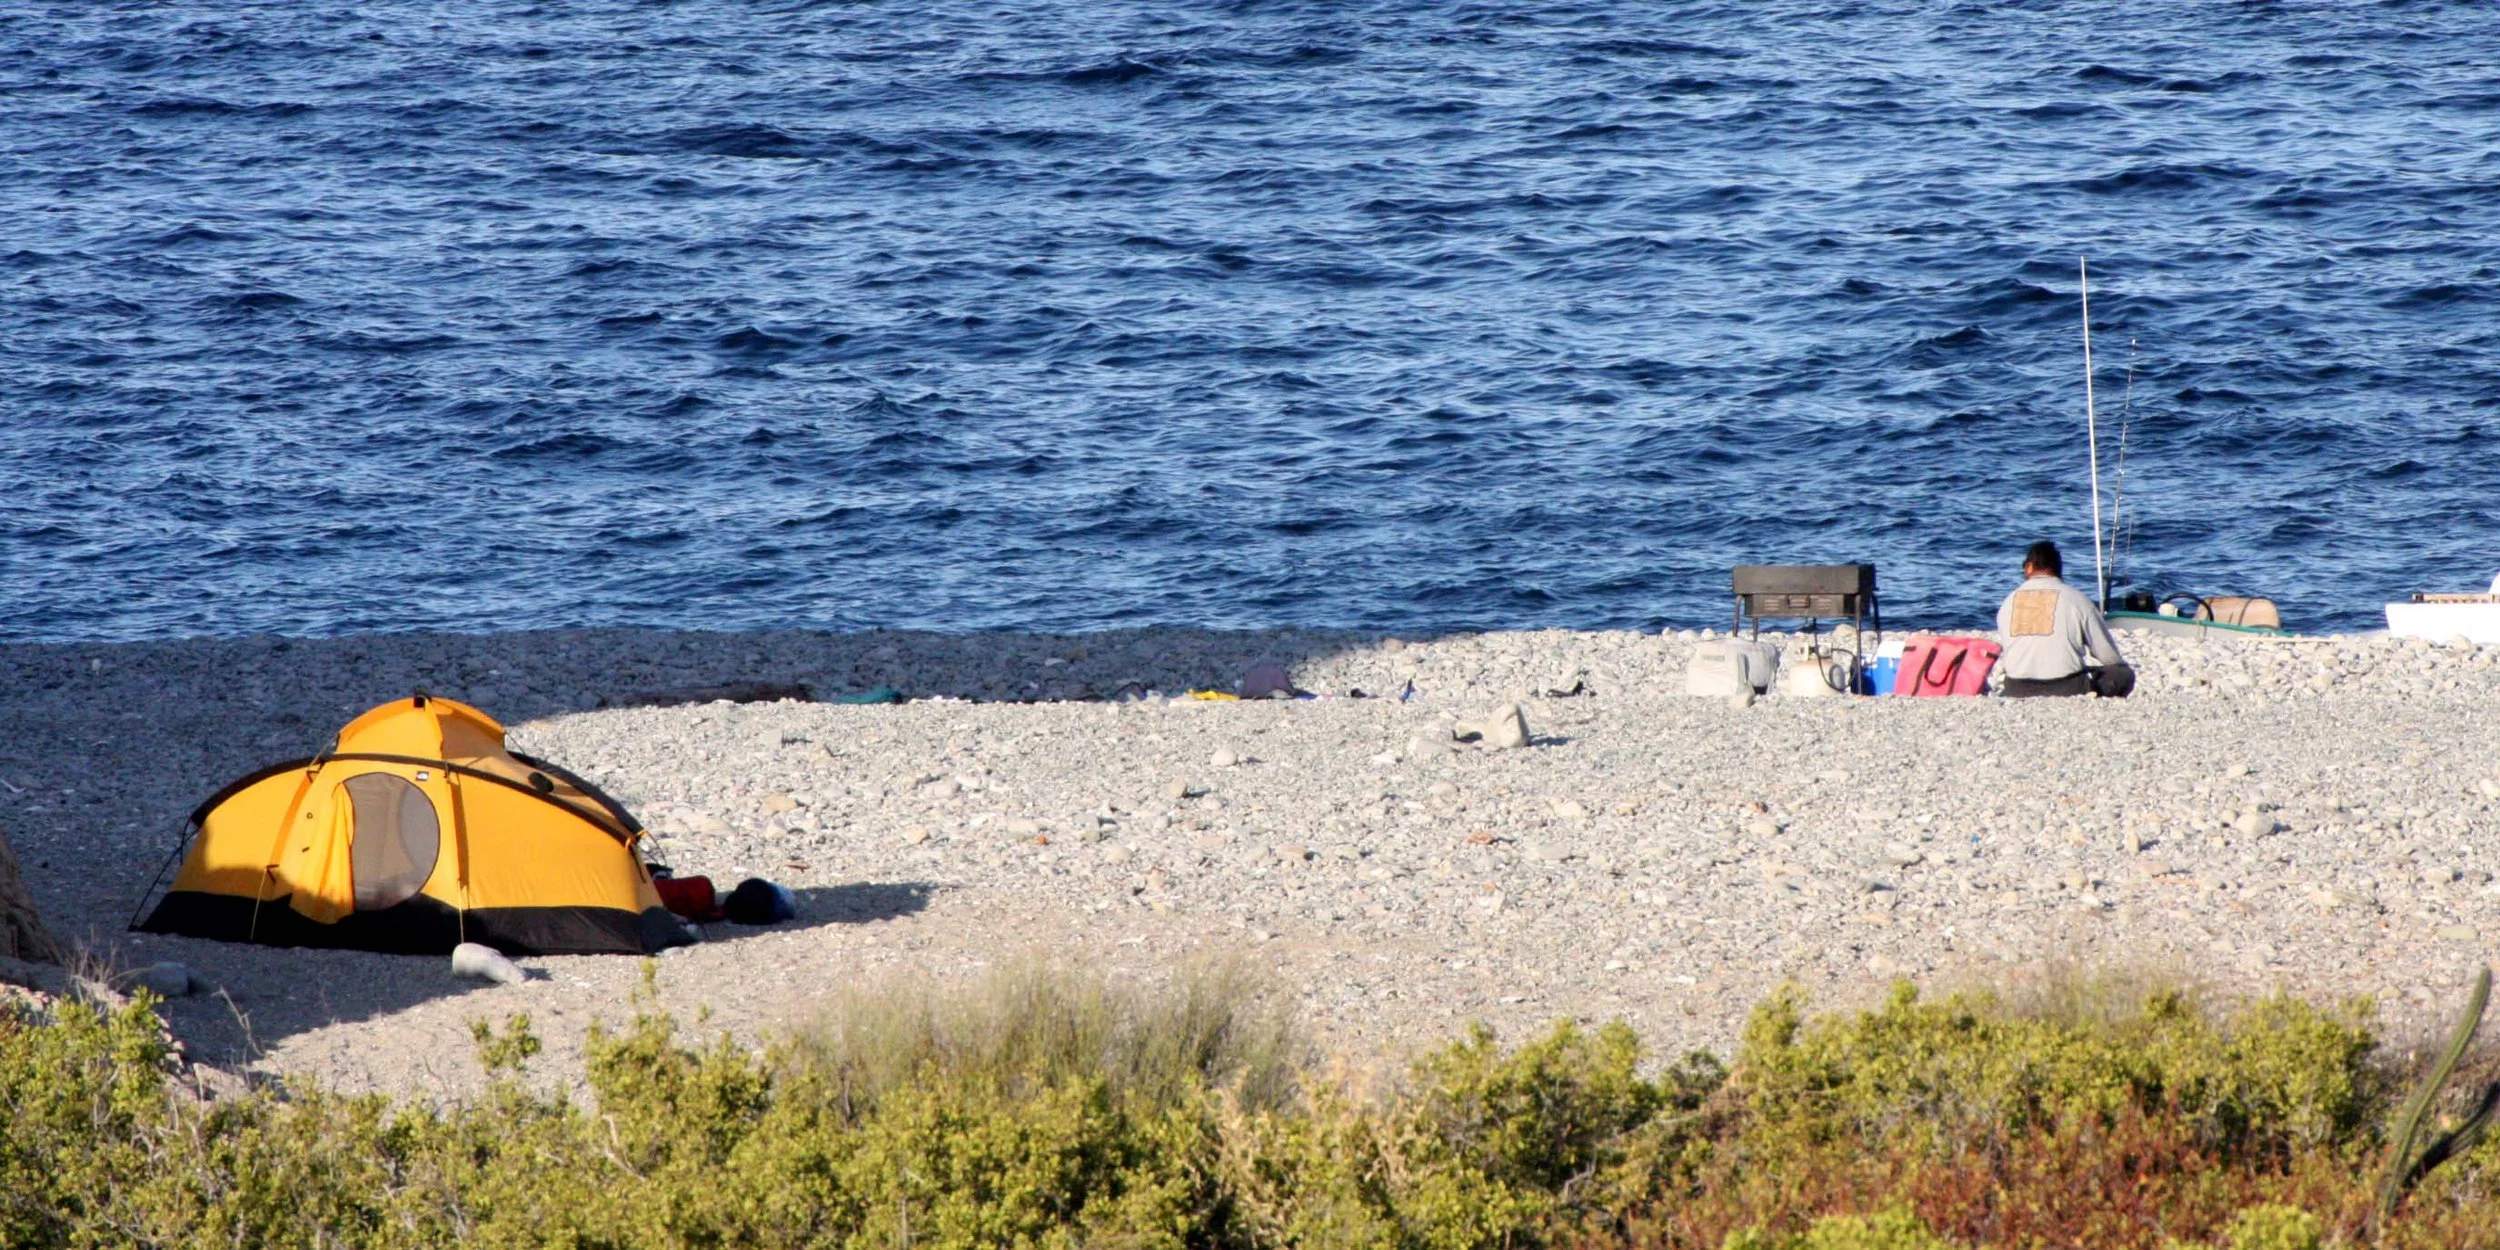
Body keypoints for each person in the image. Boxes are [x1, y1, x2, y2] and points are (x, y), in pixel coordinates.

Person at [1995, 540, 2133, 698]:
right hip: (2067, 687)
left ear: (2030, 567)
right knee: (2123, 674)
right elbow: (2109, 656)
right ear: (2058, 568)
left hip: (2016, 687)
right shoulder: (2076, 599)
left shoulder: (2008, 602)